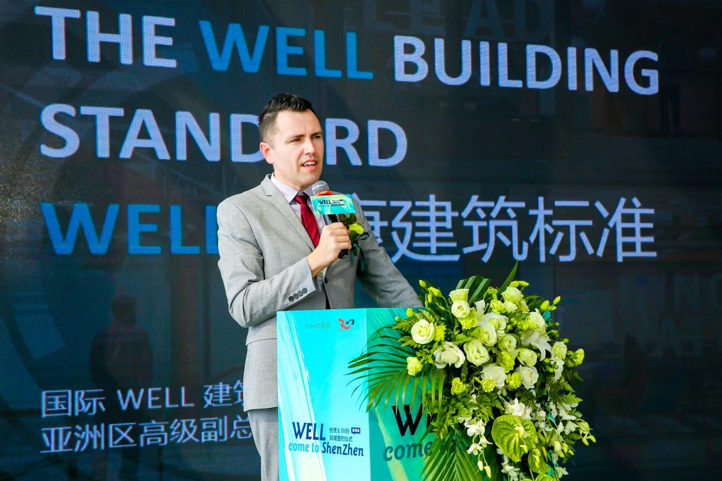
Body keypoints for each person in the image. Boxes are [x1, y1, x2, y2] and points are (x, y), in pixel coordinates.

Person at [216, 93, 421, 481]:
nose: (310, 149)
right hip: (280, 381)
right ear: (268, 151)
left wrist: (435, 337)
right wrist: (314, 262)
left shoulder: (342, 206)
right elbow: (244, 305)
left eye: (317, 137)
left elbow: (389, 284)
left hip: (346, 378)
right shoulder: (240, 210)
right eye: (296, 140)